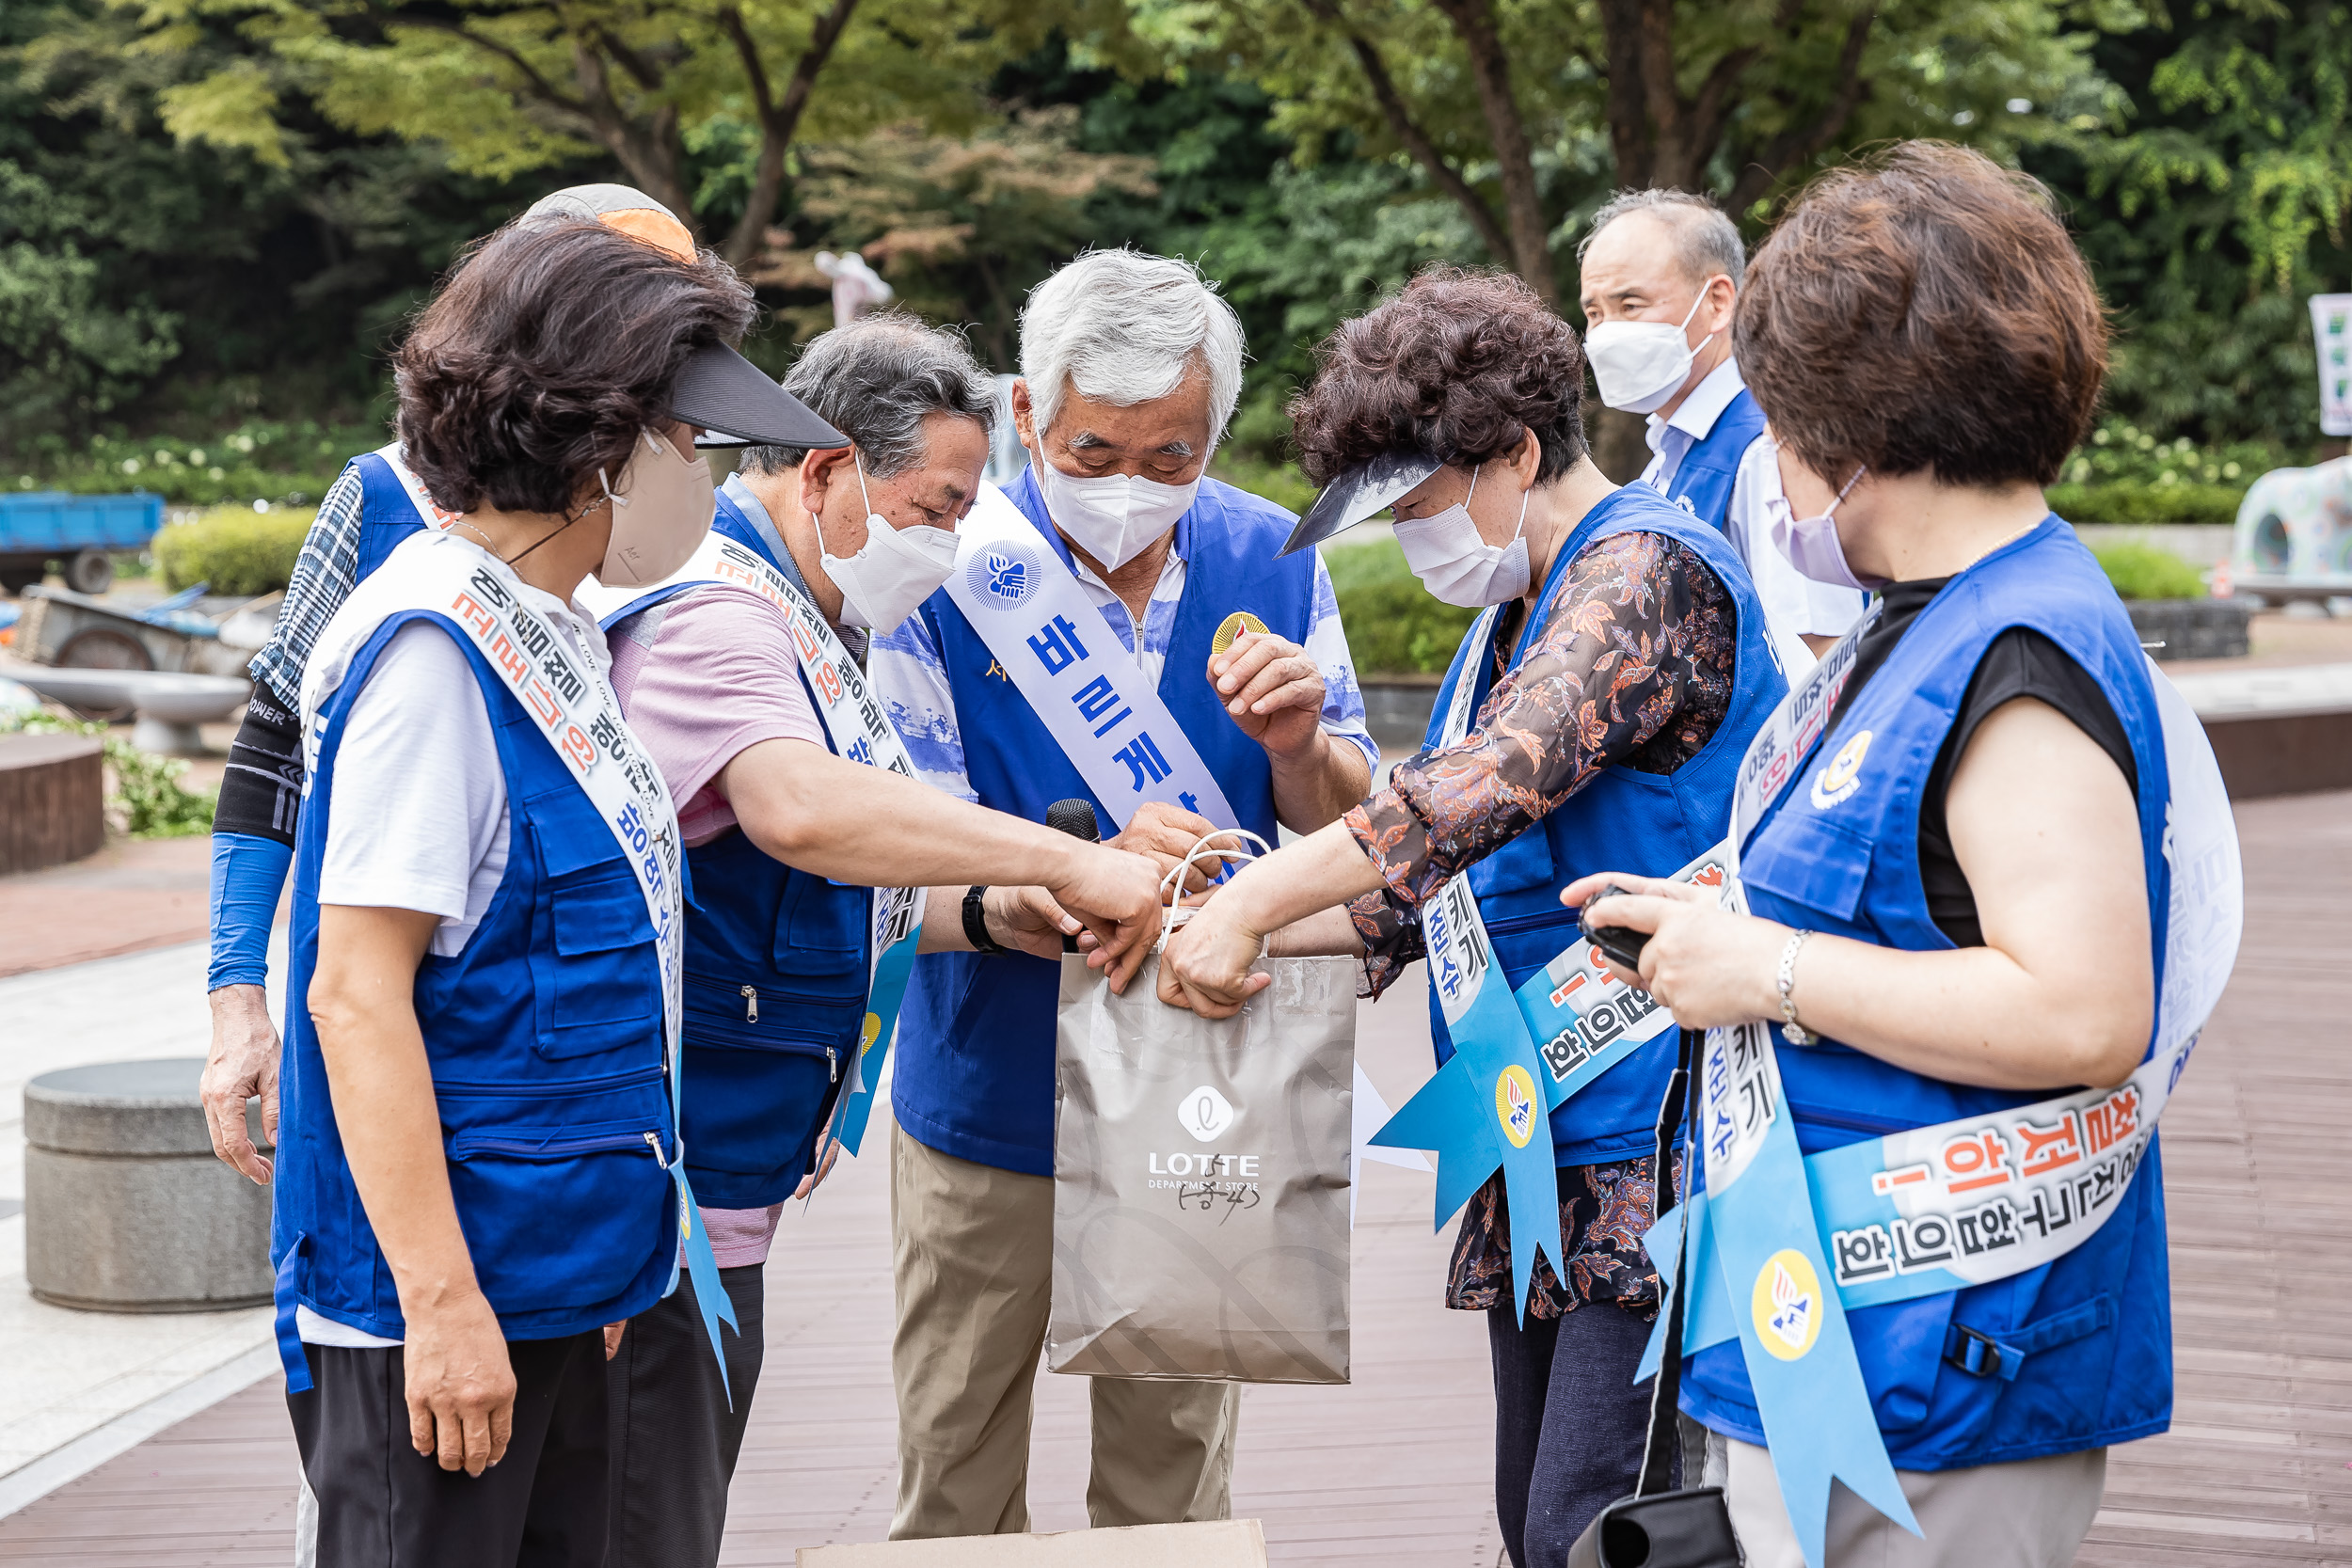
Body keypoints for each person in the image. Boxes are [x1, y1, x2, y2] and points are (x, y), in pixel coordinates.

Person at [1560, 143, 2210, 1566]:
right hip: (1844, 1325)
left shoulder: (2014, 650)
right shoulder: (1927, 616)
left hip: (1940, 1346)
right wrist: (1719, 918)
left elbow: (2084, 1008)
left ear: (1843, 423)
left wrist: (1767, 964)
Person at [1155, 266, 1788, 1564]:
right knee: (1533, 1518)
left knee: (1606, 1527)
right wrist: (1202, 914)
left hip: (1658, 1144)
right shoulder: (1511, 611)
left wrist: (1263, 895)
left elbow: (1480, 790)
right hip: (1541, 1131)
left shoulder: (1647, 573)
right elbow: (1428, 891)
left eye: (1425, 503)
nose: (1414, 539)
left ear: (1516, 452)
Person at [593, 314, 1165, 1567]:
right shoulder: (719, 614)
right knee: (646, 1512)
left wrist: (991, 910)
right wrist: (1062, 856)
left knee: (669, 1503)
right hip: (662, 1190)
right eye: (936, 504)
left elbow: (833, 879)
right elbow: (800, 807)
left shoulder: (803, 616)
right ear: (825, 469)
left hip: (713, 1173)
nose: (949, 543)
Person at [275, 214, 805, 1564]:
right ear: (596, 440)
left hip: (567, 1273)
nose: (703, 472)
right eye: (687, 437)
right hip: (450, 1308)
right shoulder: (436, 657)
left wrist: (619, 1246)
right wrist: (443, 1304)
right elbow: (356, 992)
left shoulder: (556, 627)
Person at [868, 247, 1379, 1538]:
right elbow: (901, 820)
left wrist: (1299, 751)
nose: (1130, 488)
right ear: (1026, 415)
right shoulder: (948, 565)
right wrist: (1074, 863)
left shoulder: (1275, 553)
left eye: (1172, 456)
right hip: (989, 1081)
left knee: (1174, 1484)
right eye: (1094, 452)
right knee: (955, 1461)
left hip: (1200, 1088)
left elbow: (1355, 821)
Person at [201, 183, 749, 1187]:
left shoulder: (641, 542)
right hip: (434, 1062)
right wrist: (238, 994)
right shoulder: (386, 508)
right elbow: (273, 739)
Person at [1578, 188, 1866, 669]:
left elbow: (1817, 657)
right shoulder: (1670, 452)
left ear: (1717, 301)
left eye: (1631, 305)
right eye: (1594, 313)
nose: (1607, 333)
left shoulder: (1768, 450)